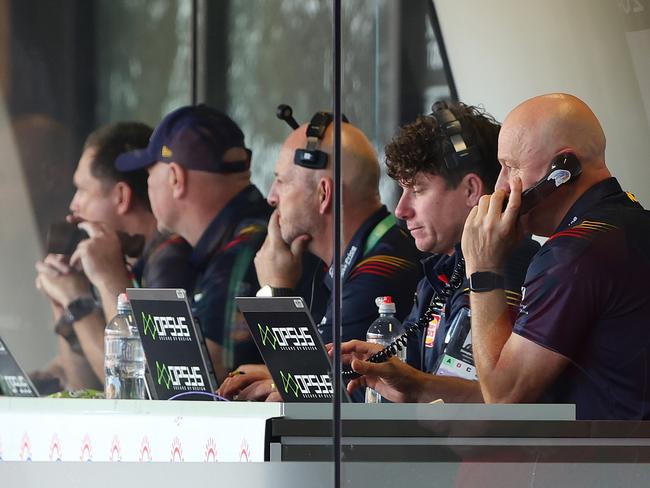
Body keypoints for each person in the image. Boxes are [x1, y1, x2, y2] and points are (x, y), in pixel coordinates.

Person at [461, 93, 650, 420]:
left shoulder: (572, 255)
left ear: (565, 168)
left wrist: (483, 268)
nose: (501, 187)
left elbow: (504, 397)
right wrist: (417, 385)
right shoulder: (631, 225)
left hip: (614, 467)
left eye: (511, 167)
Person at [338, 101, 539, 403]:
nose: (401, 210)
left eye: (417, 190)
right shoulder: (439, 275)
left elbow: (463, 411)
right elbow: (407, 384)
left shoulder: (508, 270)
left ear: (471, 191)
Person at [218, 119, 423, 401]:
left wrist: (274, 291)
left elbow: (312, 392)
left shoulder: (380, 271)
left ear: (324, 194)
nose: (271, 197)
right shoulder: (331, 265)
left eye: (281, 181)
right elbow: (307, 376)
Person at [116, 105, 272, 381]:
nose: (148, 184)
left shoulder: (243, 252)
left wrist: (108, 281)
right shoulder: (230, 238)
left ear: (176, 178)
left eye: (149, 173)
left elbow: (196, 378)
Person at [34, 122, 193, 391]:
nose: (74, 205)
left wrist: (81, 300)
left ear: (121, 196)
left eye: (83, 190)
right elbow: (82, 385)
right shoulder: (112, 263)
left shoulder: (171, 260)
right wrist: (63, 303)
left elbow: (134, 387)